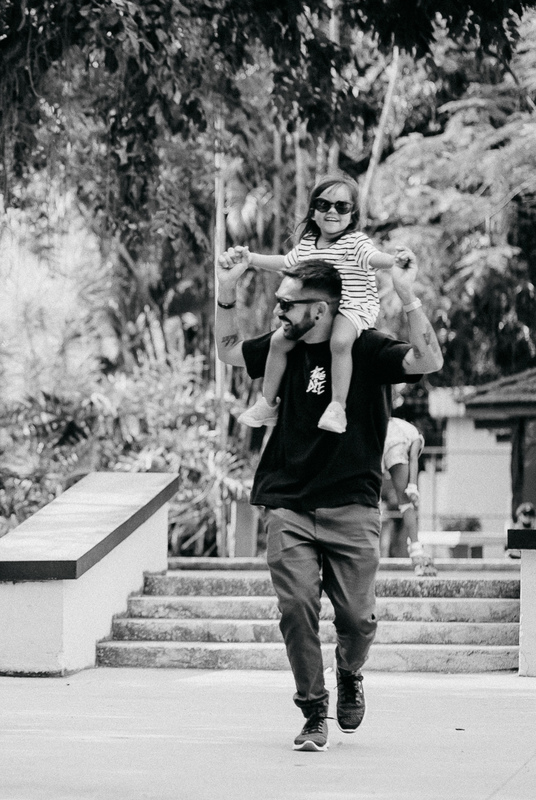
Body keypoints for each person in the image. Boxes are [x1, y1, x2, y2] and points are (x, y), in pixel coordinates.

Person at [215, 250, 444, 752]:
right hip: (290, 502)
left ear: (319, 309)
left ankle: (349, 670)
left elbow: (428, 360)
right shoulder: (283, 346)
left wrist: (407, 296)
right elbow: (229, 349)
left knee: (358, 621)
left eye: (287, 305)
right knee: (296, 608)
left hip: (353, 504)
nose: (278, 312)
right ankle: (313, 708)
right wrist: (227, 290)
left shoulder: (365, 349)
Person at [234, 174, 409, 434]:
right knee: (278, 342)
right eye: (324, 205)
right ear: (314, 212)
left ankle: (337, 407)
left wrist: (397, 261)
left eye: (342, 207)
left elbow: (374, 258)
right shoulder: (307, 245)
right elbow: (285, 264)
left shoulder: (355, 243)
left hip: (353, 306)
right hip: (316, 312)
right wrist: (251, 259)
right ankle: (268, 403)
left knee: (340, 342)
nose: (332, 211)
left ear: (352, 215)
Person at [380, 414, 425, 559]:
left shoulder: (403, 426)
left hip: (379, 435)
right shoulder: (416, 437)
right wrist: (412, 486)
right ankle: (416, 548)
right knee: (405, 503)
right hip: (395, 442)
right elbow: (413, 458)